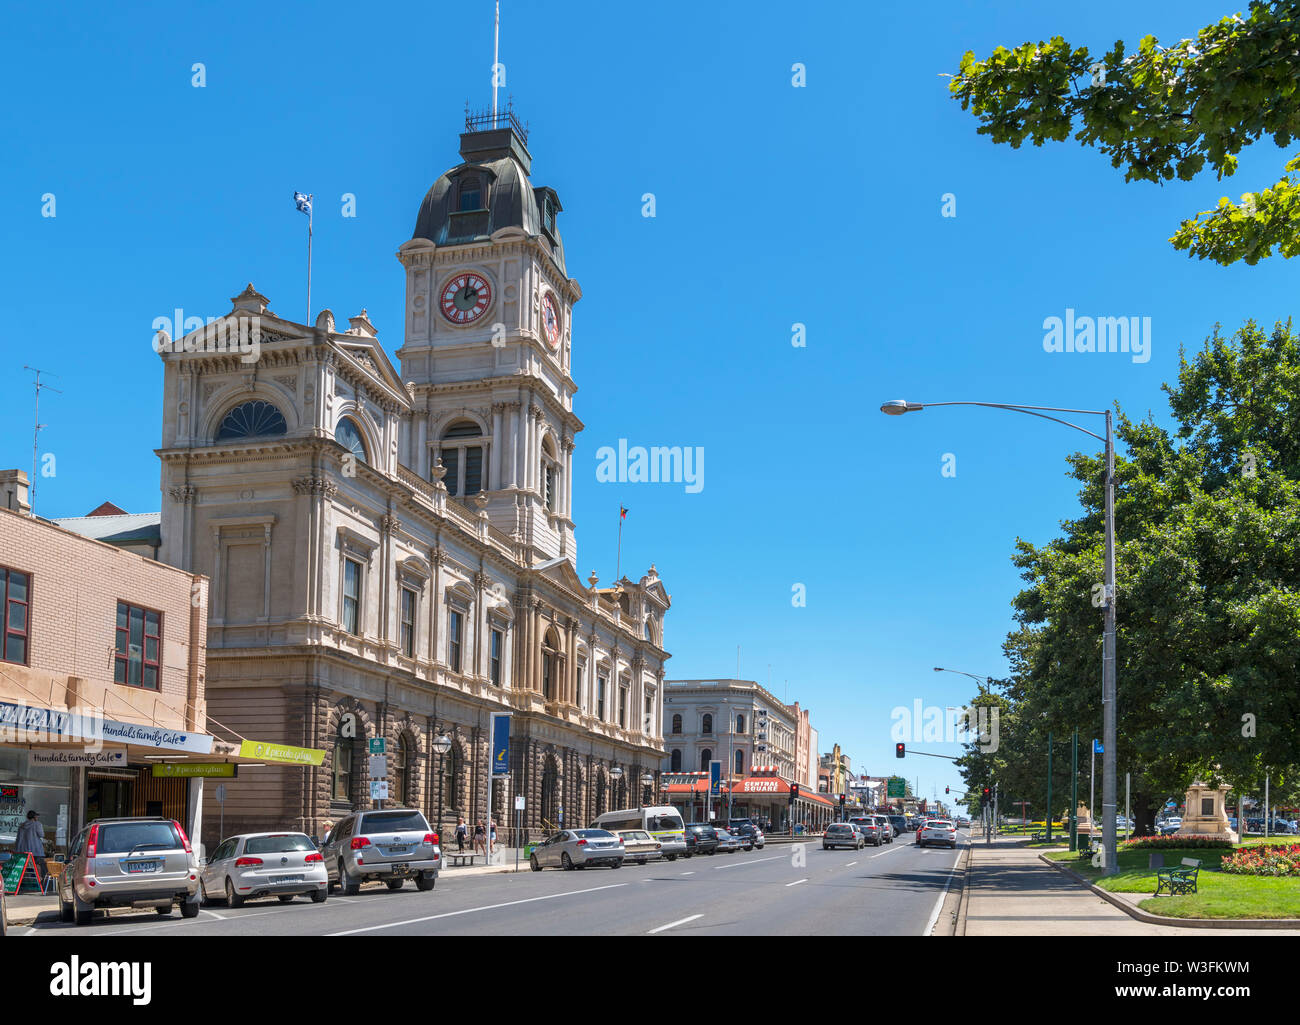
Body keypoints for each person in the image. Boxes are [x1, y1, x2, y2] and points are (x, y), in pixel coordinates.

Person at [15, 810, 47, 883]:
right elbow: (42, 835)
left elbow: (18, 839)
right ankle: (39, 880)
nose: (37, 817)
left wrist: (17, 850)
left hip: (23, 850)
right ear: (34, 817)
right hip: (36, 850)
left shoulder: (22, 826)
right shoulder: (37, 824)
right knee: (38, 864)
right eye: (36, 816)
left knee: (26, 866)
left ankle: (26, 881)